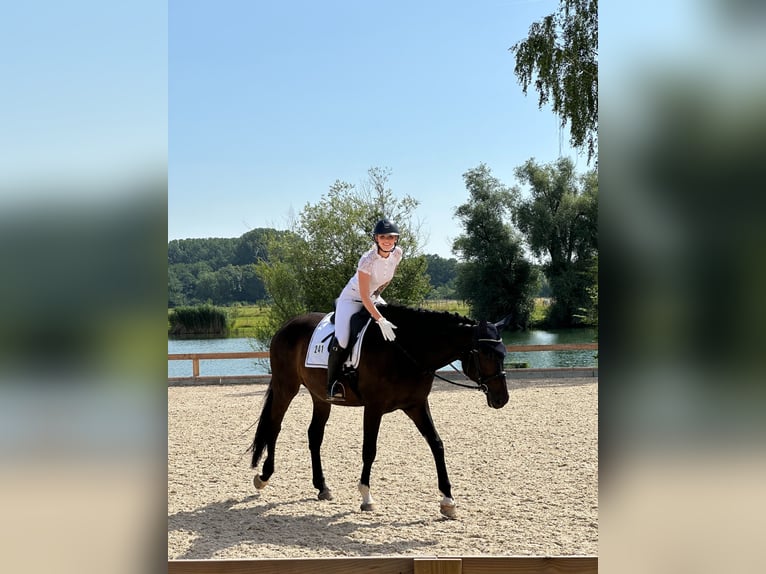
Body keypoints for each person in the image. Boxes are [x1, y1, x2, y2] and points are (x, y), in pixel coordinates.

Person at [326, 218, 402, 401]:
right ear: (376, 238)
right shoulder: (367, 260)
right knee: (343, 339)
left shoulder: (397, 253)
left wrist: (379, 295)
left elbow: (386, 278)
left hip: (373, 296)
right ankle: (332, 384)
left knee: (395, 327)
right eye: (383, 236)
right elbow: (363, 297)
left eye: (391, 237)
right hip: (352, 299)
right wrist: (380, 319)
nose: (387, 240)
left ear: (396, 239)